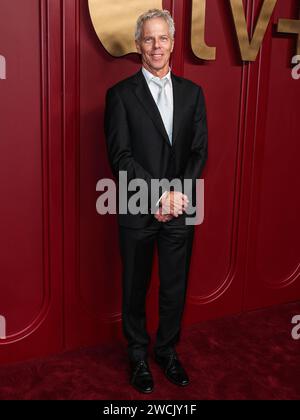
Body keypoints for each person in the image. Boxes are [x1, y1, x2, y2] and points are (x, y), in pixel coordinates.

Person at [104, 9, 208, 393]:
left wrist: (177, 196)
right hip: (137, 207)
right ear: (138, 45)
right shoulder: (119, 96)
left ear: (173, 42)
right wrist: (159, 195)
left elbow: (199, 151)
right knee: (134, 286)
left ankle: (166, 351)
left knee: (174, 287)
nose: (156, 45)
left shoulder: (194, 94)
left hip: (180, 206)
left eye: (163, 38)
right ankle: (137, 356)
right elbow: (121, 158)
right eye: (148, 38)